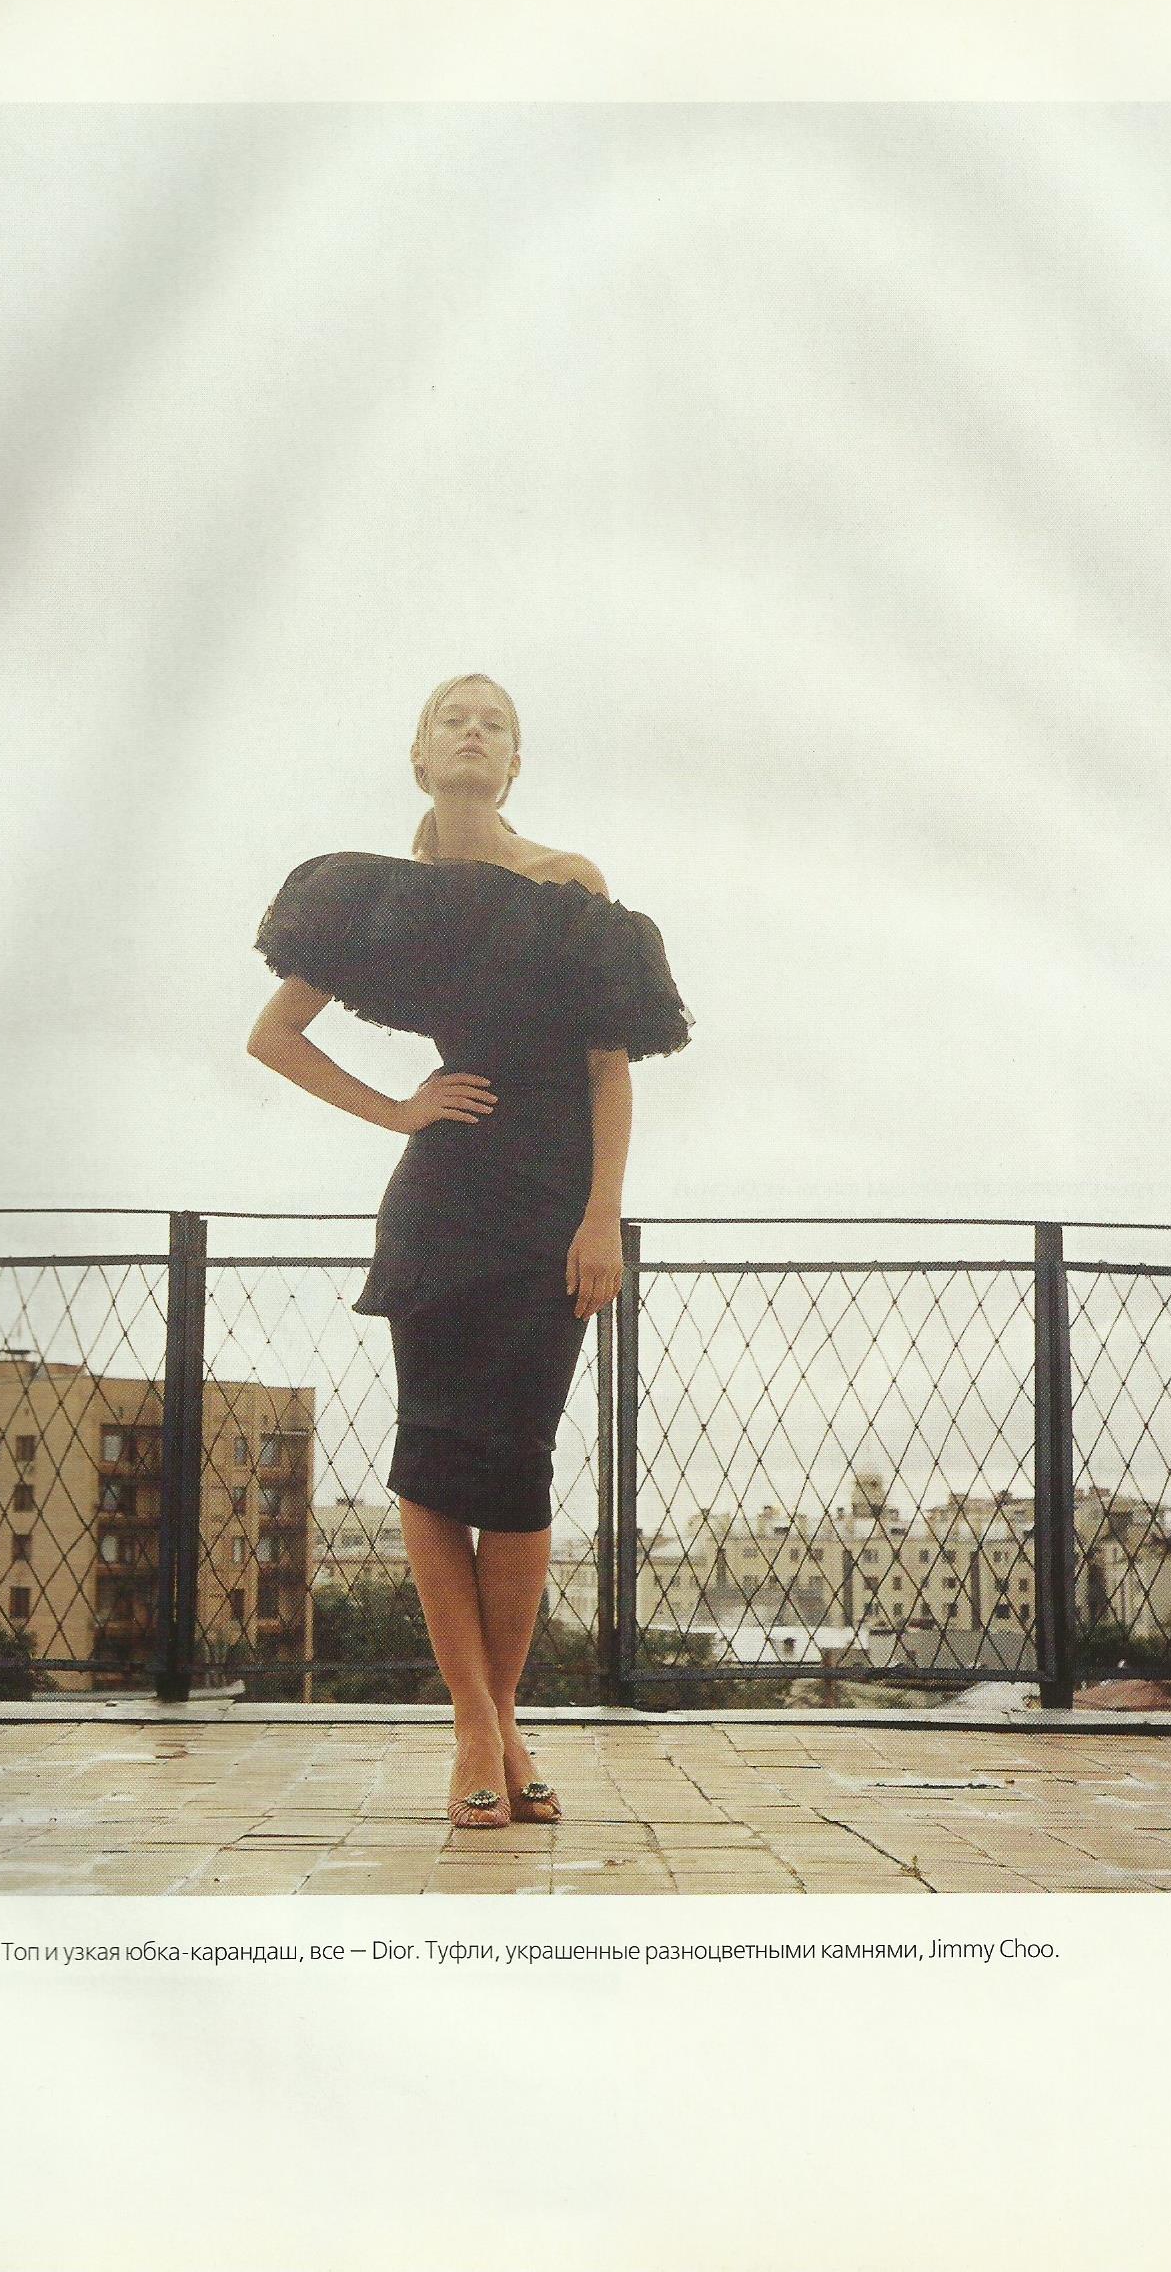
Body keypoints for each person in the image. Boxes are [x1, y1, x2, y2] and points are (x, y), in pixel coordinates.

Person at [246, 673, 691, 1830]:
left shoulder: (568, 882)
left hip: (551, 1209)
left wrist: (601, 1215)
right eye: (454, 716)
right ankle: (480, 1729)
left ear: (514, 761)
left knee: (519, 1468)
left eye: (494, 721)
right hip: (440, 1203)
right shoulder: (379, 901)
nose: (474, 730)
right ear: (420, 753)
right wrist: (397, 1110)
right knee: (434, 1462)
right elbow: (272, 1035)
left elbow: (607, 1070)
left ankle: (498, 1718)